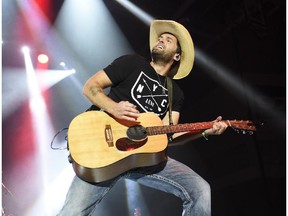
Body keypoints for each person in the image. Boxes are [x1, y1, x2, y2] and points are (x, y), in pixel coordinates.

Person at [57, 20, 228, 216]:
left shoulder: (175, 94)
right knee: (71, 213)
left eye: (168, 39)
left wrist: (204, 130)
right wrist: (114, 108)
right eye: (160, 38)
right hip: (103, 152)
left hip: (143, 160)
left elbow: (169, 134)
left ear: (177, 55)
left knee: (200, 189)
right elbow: (90, 87)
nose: (161, 40)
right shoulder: (131, 63)